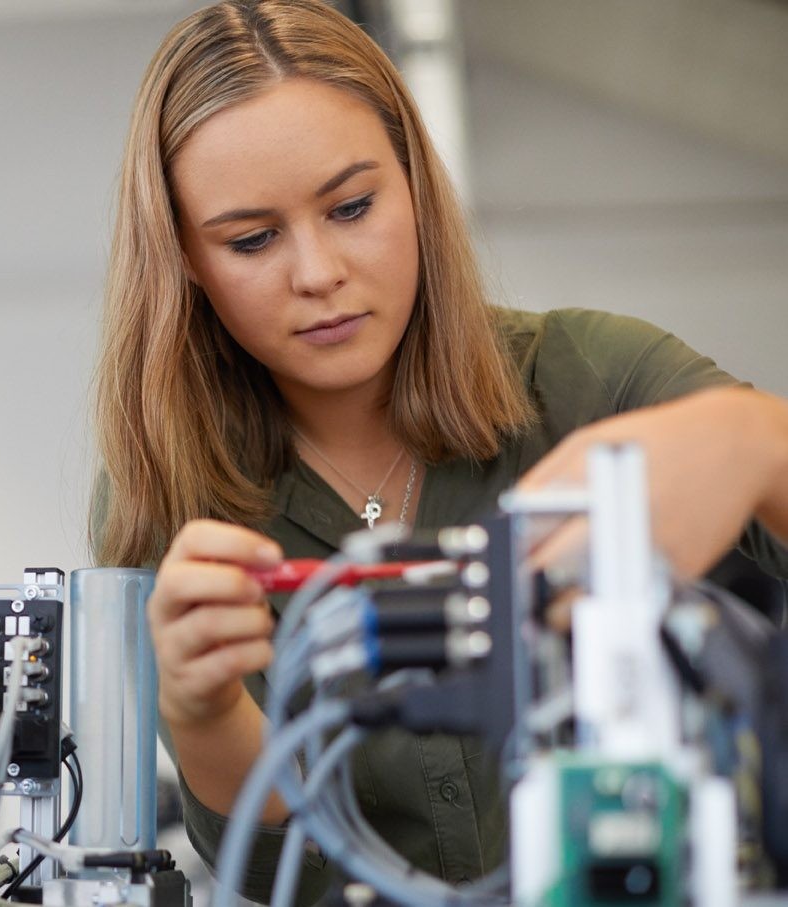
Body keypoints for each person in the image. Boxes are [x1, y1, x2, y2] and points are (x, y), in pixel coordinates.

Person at [88, 1, 788, 903]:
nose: (316, 272)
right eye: (251, 239)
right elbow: (273, 873)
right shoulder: (165, 489)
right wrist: (202, 711)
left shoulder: (591, 378)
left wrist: (753, 440)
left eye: (351, 206)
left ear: (416, 183)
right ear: (182, 255)